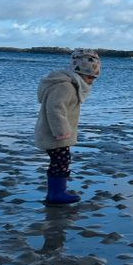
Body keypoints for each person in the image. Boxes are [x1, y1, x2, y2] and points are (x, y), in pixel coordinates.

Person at [35, 48, 101, 205]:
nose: (91, 81)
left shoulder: (70, 85)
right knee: (61, 161)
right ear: (80, 73)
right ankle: (57, 193)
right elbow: (55, 109)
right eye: (90, 77)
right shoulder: (65, 86)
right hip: (54, 133)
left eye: (94, 78)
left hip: (56, 133)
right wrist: (62, 132)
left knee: (60, 161)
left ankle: (56, 193)